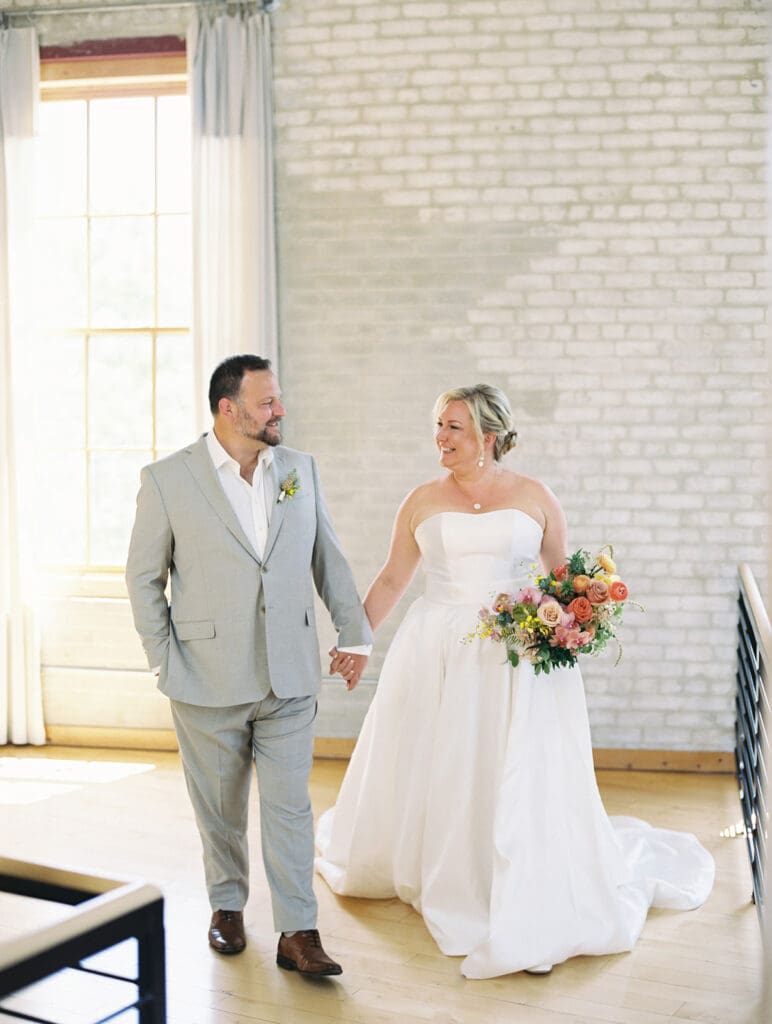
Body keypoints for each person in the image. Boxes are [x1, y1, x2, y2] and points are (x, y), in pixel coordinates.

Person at [315, 383, 714, 979]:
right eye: (438, 426)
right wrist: (356, 639)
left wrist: (579, 617)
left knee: (513, 762)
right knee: (444, 758)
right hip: (439, 650)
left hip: (514, 653)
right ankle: (447, 871)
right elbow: (395, 578)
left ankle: (521, 876)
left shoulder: (535, 496)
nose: (440, 438)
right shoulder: (421, 500)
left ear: (488, 437)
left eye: (453, 427)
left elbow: (564, 578)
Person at [126, 354, 372, 977]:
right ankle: (227, 906)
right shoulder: (167, 480)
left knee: (290, 806)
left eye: (278, 399)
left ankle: (299, 930)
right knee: (220, 807)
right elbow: (143, 578)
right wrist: (164, 661)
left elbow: (328, 558)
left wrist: (356, 633)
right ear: (227, 409)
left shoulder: (299, 470)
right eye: (267, 403)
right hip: (204, 677)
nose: (280, 411)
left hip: (289, 671)